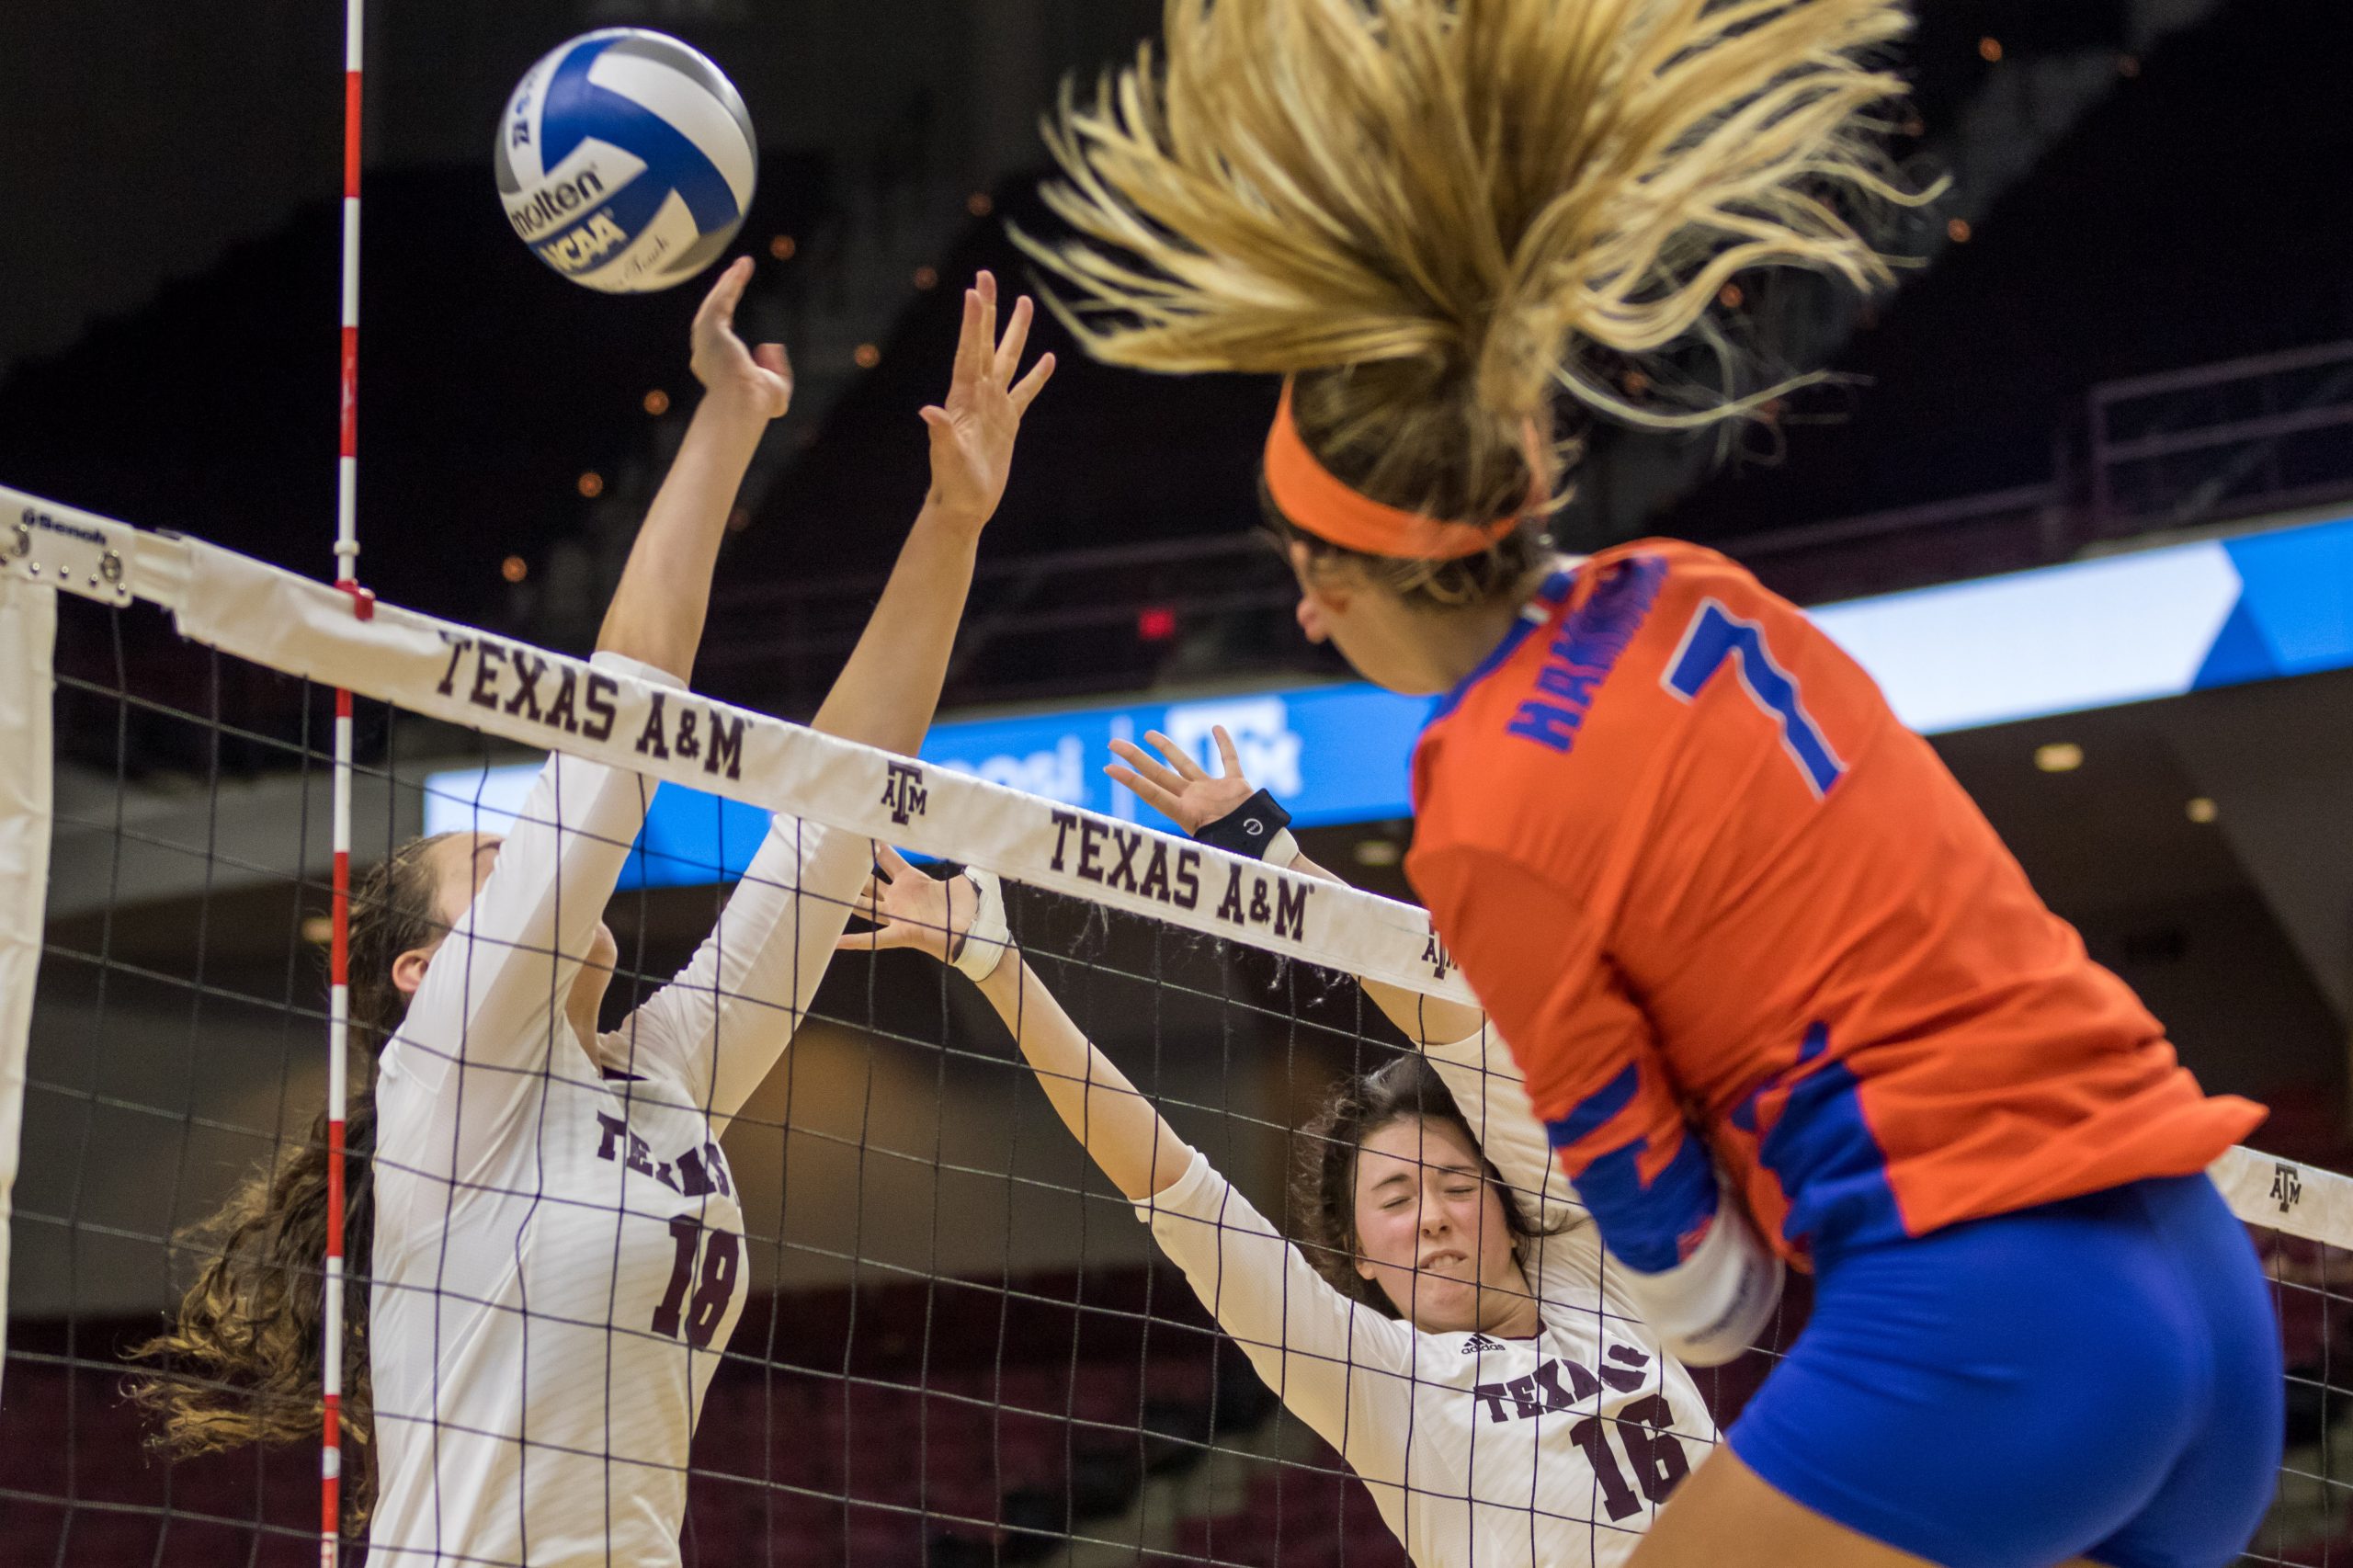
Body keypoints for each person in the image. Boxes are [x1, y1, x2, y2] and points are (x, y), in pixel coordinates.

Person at [1015, 3, 2280, 1566]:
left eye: (1308, 577)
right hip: (2198, 1258)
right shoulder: (1692, 586)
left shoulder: (1477, 795)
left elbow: (1707, 1292)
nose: (1302, 614)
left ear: (1373, 572)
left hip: (1992, 1306)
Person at [130, 257, 1055, 1566]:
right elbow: (614, 731)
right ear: (421, 971)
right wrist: (726, 421)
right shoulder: (458, 1063)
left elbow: (838, 811)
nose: (528, 854)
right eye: (488, 859)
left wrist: (952, 520)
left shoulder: (660, 1078)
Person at [839, 726, 1715, 1567]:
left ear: (1508, 1210)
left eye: (1455, 1184)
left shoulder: (1589, 1263)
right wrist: (996, 965)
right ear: (1360, 1257)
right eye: (1398, 1200)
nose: (1438, 1217)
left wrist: (1272, 853)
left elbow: (1448, 1024)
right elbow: (1174, 1189)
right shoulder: (1373, 1373)